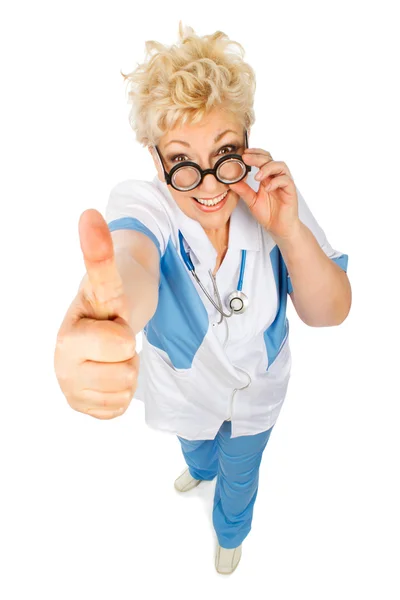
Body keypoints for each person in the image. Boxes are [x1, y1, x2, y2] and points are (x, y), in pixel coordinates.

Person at [54, 22, 352, 575]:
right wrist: (111, 308)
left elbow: (331, 312)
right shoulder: (145, 205)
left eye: (226, 152)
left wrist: (288, 231)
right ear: (156, 158)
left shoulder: (271, 195)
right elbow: (133, 260)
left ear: (247, 140)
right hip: (184, 393)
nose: (210, 184)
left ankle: (229, 530)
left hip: (258, 392)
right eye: (182, 160)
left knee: (241, 474)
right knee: (195, 448)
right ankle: (199, 465)